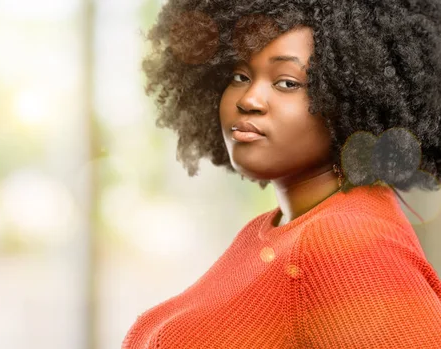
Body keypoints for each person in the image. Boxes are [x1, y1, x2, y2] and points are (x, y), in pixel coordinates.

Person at [121, 0, 441, 348]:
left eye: (287, 83)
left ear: (351, 95)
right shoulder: (273, 229)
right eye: (239, 76)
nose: (250, 99)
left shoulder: (346, 241)